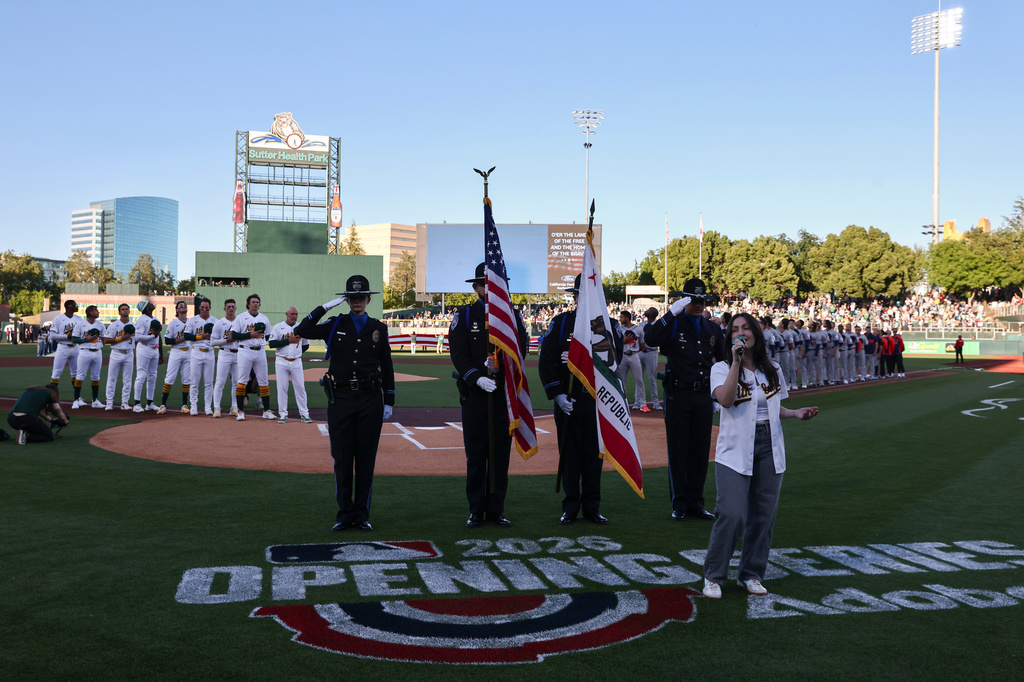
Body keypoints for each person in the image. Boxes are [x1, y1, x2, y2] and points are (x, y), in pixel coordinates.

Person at [701, 312, 819, 599]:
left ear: (756, 332)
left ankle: (751, 574)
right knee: (731, 513)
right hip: (736, 448)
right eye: (735, 330)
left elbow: (771, 407)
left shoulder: (773, 368)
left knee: (763, 516)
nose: (741, 333)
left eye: (746, 328)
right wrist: (736, 363)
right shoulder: (721, 367)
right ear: (730, 338)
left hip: (770, 444)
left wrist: (795, 413)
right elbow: (726, 400)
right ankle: (715, 577)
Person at [295, 275, 395, 532]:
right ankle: (344, 514)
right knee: (341, 458)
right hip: (340, 399)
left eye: (361, 297)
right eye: (352, 298)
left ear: (368, 299)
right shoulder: (335, 324)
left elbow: (387, 365)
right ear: (346, 299)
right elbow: (302, 330)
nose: (357, 302)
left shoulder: (378, 328)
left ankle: (361, 515)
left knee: (365, 459)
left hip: (370, 400)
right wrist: (326, 306)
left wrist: (389, 399)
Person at [448, 262, 530, 528]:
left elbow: (521, 349)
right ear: (477, 287)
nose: (490, 288)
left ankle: (496, 510)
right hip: (475, 395)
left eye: (495, 284)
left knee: (499, 456)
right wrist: (476, 376)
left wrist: (502, 366)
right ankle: (476, 510)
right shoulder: (466, 315)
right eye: (485, 284)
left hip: (502, 396)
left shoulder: (511, 316)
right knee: (476, 454)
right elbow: (458, 354)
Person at [539, 273, 622, 526]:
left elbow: (614, 359)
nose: (583, 300)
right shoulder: (562, 323)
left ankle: (592, 507)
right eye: (580, 296)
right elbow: (546, 361)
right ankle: (570, 506)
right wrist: (557, 394)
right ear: (575, 297)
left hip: (596, 401)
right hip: (569, 399)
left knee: (593, 456)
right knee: (570, 455)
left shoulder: (608, 325)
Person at [645, 278, 725, 521]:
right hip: (678, 394)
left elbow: (721, 362)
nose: (700, 305)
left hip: (702, 396)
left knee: (700, 452)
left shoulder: (712, 329)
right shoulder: (673, 323)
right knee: (679, 450)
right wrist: (670, 313)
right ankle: (679, 504)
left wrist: (717, 395)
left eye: (703, 301)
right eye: (694, 300)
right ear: (684, 301)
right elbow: (650, 339)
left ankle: (697, 503)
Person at [230, 294, 276, 421]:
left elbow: (266, 336)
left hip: (260, 351)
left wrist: (257, 339)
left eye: (257, 302)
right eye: (253, 302)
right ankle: (240, 411)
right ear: (248, 304)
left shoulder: (264, 318)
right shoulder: (241, 317)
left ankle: (266, 410)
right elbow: (234, 334)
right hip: (245, 351)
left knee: (264, 382)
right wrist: (250, 335)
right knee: (242, 381)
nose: (256, 304)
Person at [269, 306, 312, 424]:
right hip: (281, 361)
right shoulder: (278, 327)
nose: (294, 316)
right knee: (282, 388)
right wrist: (288, 341)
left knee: (300, 388)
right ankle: (283, 414)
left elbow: (306, 345)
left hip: (296, 361)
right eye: (292, 314)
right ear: (286, 314)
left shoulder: (301, 327)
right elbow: (272, 343)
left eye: (296, 314)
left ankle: (304, 414)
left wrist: (298, 353)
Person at [158, 300, 192, 414]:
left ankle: (184, 405)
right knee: (169, 378)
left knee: (187, 379)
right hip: (176, 351)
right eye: (180, 306)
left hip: (188, 352)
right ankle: (163, 404)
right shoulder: (173, 323)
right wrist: (183, 338)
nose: (183, 307)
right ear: (177, 310)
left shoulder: (191, 322)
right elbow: (167, 340)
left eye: (185, 305)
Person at [185, 298, 218, 415]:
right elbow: (187, 336)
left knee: (209, 382)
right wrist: (200, 337)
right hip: (196, 352)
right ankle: (193, 405)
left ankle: (208, 406)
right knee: (194, 381)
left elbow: (219, 338)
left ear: (210, 307)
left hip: (209, 352)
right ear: (199, 307)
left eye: (207, 307)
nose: (204, 309)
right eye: (202, 307)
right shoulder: (193, 320)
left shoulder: (215, 321)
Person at [69, 305, 106, 409]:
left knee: (96, 376)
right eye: (96, 311)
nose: (98, 312)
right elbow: (74, 339)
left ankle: (95, 400)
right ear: (90, 312)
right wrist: (86, 340)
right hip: (85, 351)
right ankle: (76, 400)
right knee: (80, 376)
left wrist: (99, 345)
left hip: (97, 352)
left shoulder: (100, 324)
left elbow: (103, 338)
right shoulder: (80, 324)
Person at [102, 303, 135, 411]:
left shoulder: (133, 325)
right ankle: (109, 402)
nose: (125, 310)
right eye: (123, 309)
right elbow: (106, 340)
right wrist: (121, 338)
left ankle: (125, 402)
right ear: (119, 312)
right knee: (111, 378)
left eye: (127, 309)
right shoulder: (113, 325)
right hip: (116, 352)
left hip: (129, 353)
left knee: (127, 380)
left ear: (129, 311)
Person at [210, 299, 239, 417]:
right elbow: (212, 342)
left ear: (236, 308)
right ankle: (217, 407)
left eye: (233, 306)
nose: (231, 308)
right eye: (228, 307)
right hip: (224, 353)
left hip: (238, 353)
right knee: (220, 381)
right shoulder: (219, 323)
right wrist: (227, 340)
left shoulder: (240, 321)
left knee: (236, 382)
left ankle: (235, 406)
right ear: (224, 308)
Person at [132, 301, 162, 412]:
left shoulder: (155, 318)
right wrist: (153, 336)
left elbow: (159, 337)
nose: (151, 304)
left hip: (154, 349)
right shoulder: (141, 319)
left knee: (152, 376)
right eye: (149, 304)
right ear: (146, 308)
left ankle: (150, 403)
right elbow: (138, 337)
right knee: (141, 375)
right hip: (144, 348)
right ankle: (137, 404)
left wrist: (161, 353)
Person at [48, 300, 82, 389]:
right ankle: (51, 397)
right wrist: (67, 337)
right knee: (56, 372)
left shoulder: (79, 319)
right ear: (69, 306)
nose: (77, 307)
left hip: (76, 347)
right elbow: (52, 336)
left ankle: (77, 398)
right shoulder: (58, 318)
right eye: (75, 305)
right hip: (63, 347)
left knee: (76, 373)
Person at [617, 311, 646, 411]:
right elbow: (616, 344)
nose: (620, 319)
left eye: (622, 317)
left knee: (639, 380)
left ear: (627, 318)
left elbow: (642, 345)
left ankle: (643, 404)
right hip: (623, 356)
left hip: (634, 355)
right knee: (621, 381)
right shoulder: (619, 329)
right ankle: (622, 403)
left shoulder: (638, 329)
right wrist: (623, 342)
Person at [639, 307, 662, 410]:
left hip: (651, 352)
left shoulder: (658, 325)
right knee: (639, 378)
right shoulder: (642, 324)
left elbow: (658, 340)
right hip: (640, 352)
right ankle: (638, 401)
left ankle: (655, 402)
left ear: (653, 314)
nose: (646, 311)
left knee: (651, 378)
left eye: (649, 310)